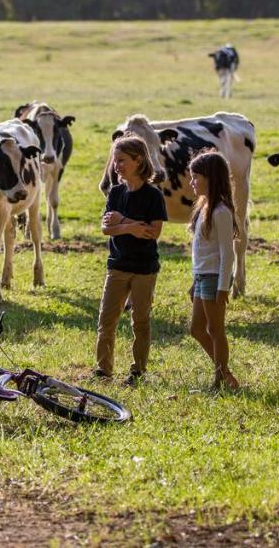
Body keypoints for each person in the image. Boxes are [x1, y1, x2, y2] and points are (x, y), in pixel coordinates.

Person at [95, 135, 166, 385]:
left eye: (121, 160)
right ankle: (103, 370)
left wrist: (122, 222)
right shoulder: (115, 193)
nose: (116, 166)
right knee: (106, 320)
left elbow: (153, 232)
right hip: (117, 265)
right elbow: (106, 229)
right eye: (115, 161)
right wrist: (131, 226)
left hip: (144, 269)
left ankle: (138, 370)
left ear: (138, 160)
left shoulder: (153, 196)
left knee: (141, 322)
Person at [187, 150, 240, 390]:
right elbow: (201, 250)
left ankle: (219, 379)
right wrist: (193, 280)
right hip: (201, 276)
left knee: (215, 329)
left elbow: (228, 252)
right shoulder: (203, 208)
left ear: (211, 178)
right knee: (196, 328)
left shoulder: (221, 212)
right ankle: (226, 374)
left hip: (214, 278)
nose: (192, 182)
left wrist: (223, 287)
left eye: (196, 177)